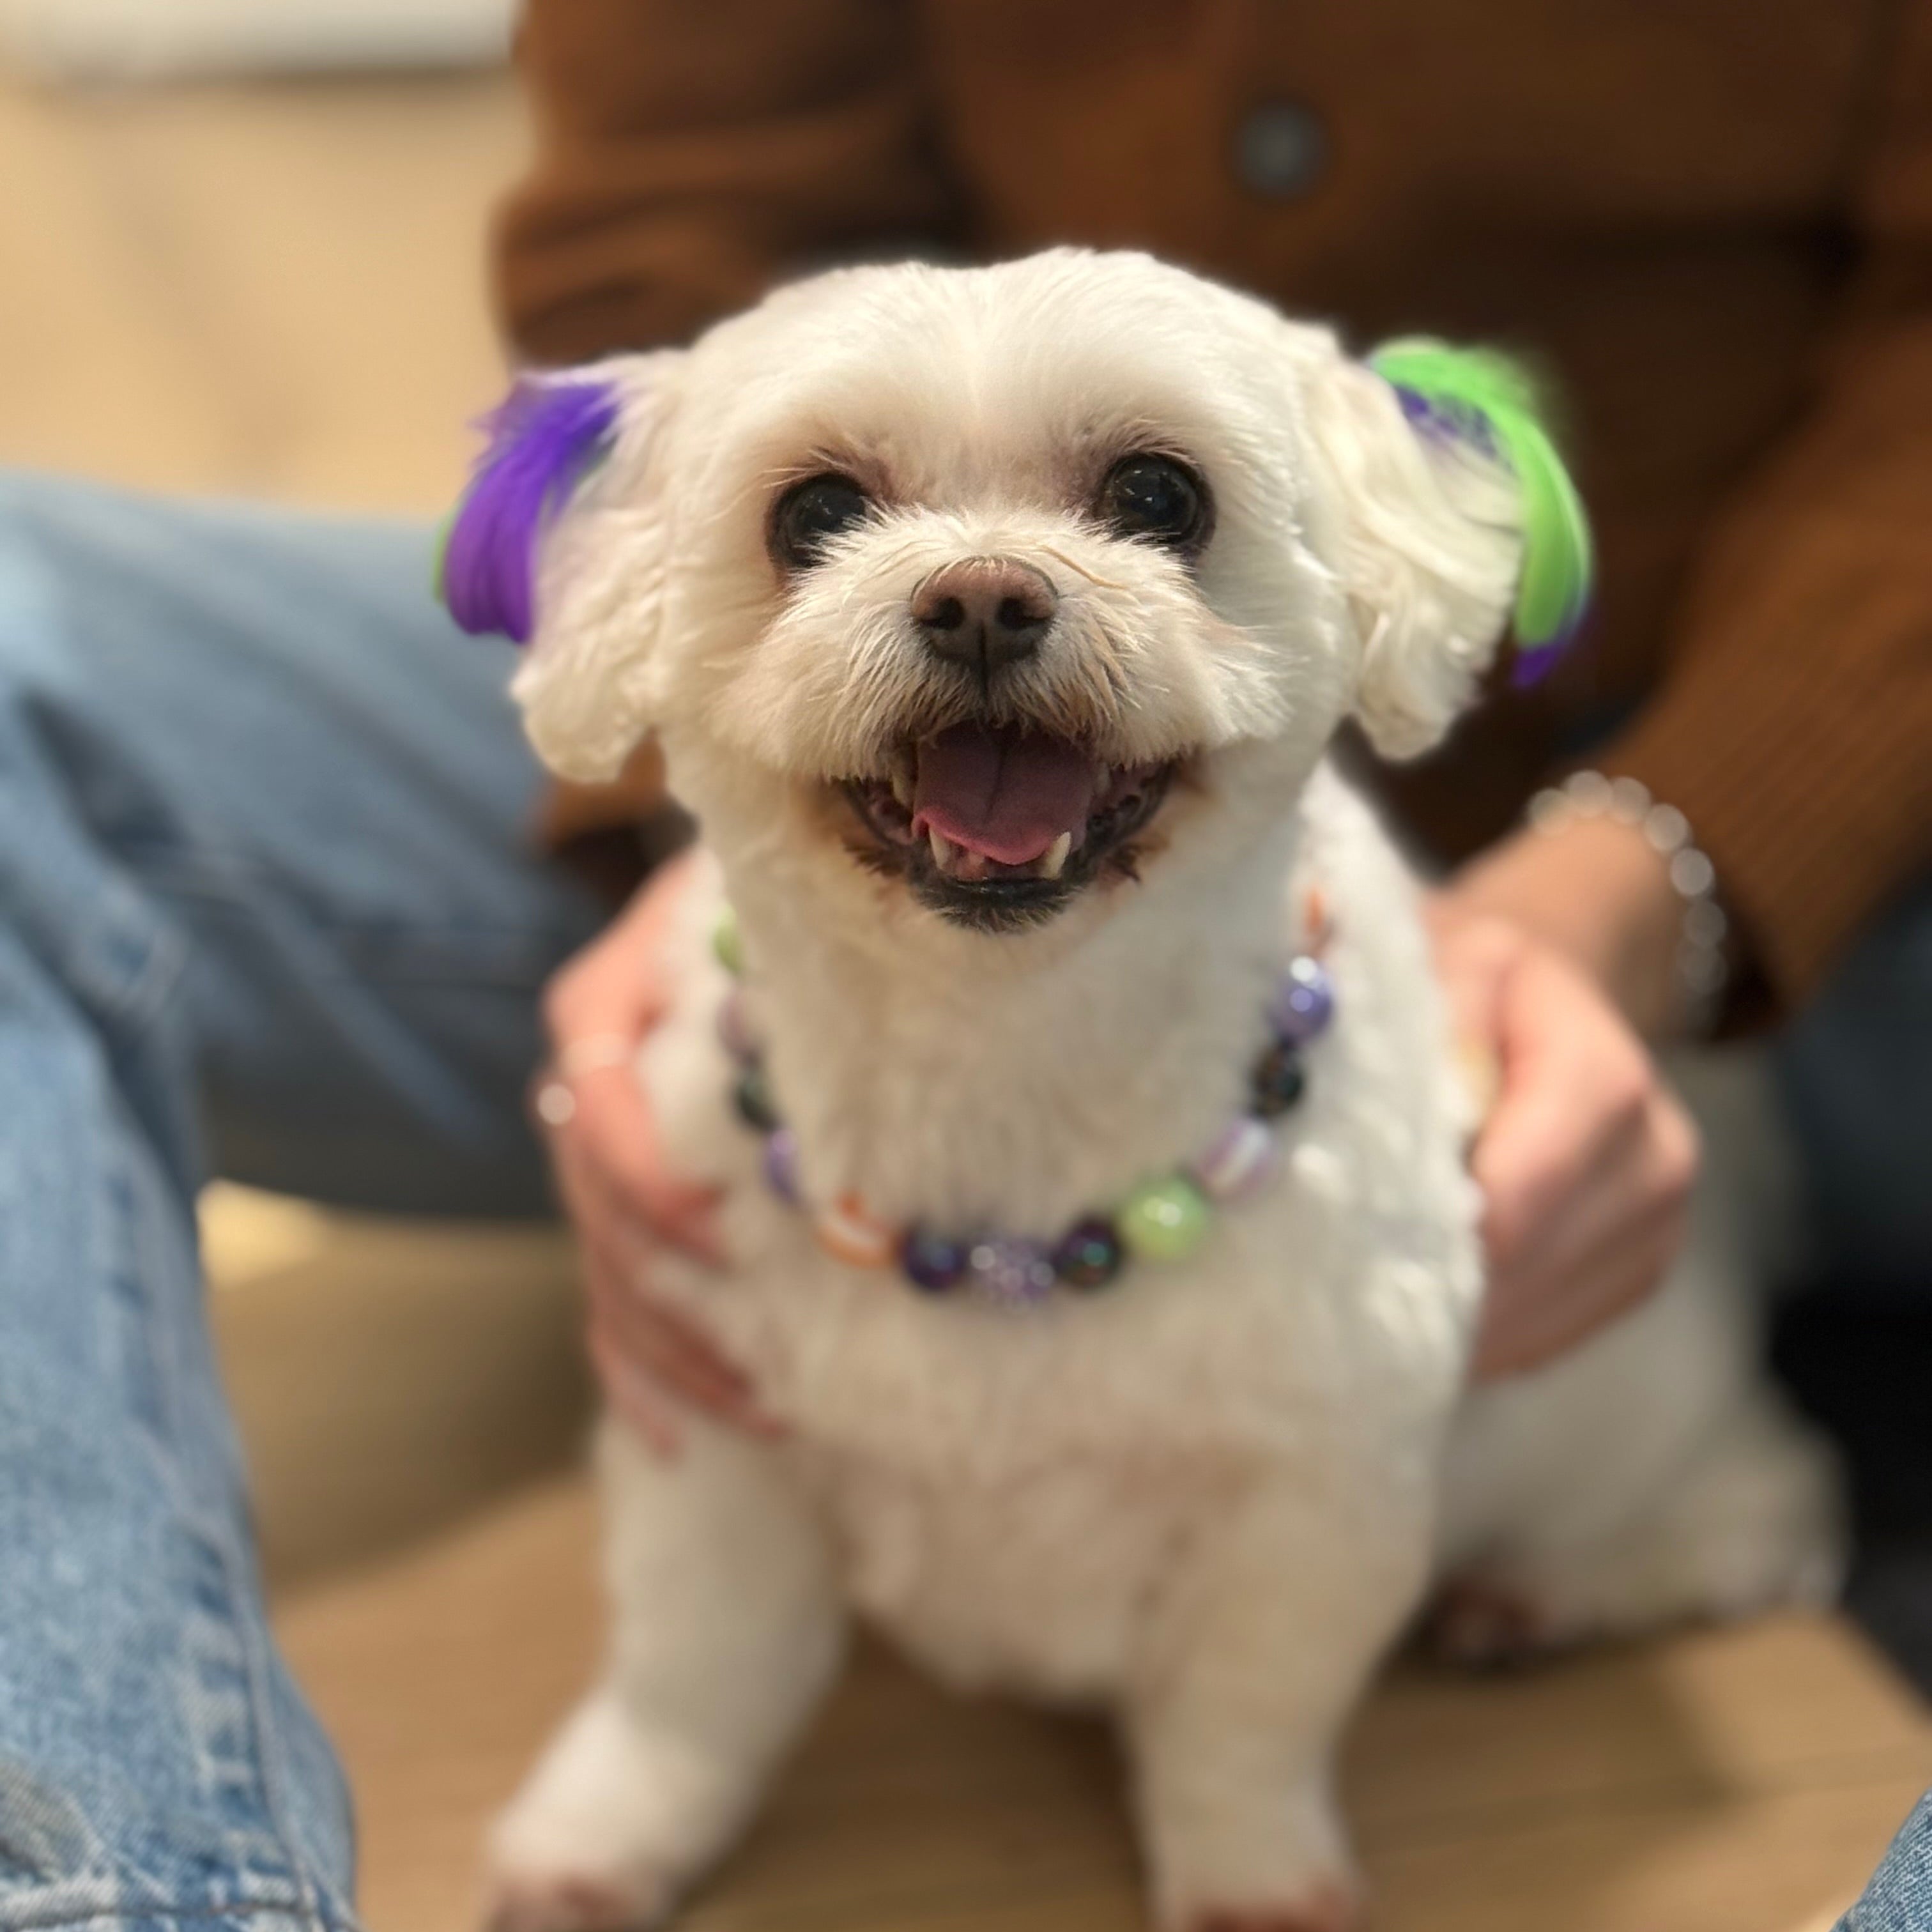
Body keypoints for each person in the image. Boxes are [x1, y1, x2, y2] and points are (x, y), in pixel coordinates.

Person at [0, 6, 1924, 1932]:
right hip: (809, 859)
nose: (984, 588)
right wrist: (686, 811)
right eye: (830, 513)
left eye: (1147, 502)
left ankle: (1702, 1511)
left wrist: (1669, 867)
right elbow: (665, 222)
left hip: (1823, 824)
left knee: (1452, 1452)